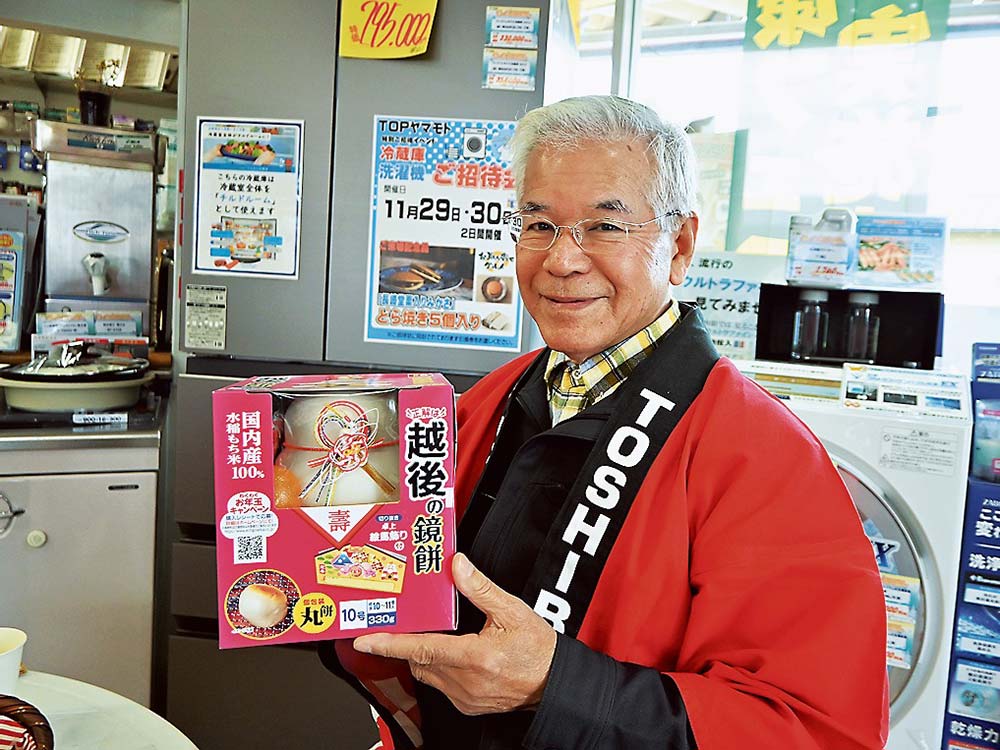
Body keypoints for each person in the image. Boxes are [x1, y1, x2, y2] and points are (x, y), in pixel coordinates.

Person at [322, 95, 890, 749]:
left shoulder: (764, 456)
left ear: (678, 246)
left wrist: (556, 686)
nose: (561, 260)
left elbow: (815, 729)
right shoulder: (485, 403)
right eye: (538, 226)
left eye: (605, 226)